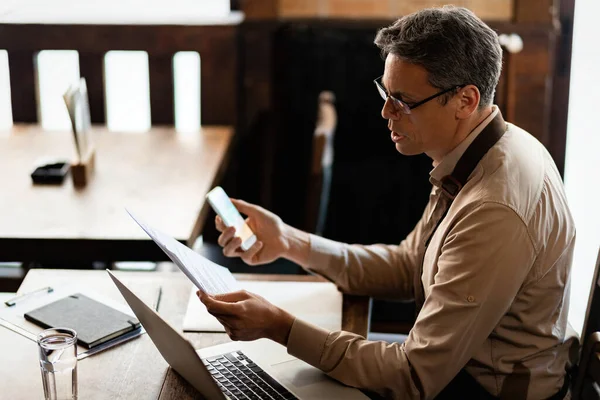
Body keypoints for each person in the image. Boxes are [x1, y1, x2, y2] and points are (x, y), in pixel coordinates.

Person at [197, 6, 575, 399]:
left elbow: (412, 377)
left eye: (404, 101)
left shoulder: (493, 207)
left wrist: (279, 327)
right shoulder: (486, 147)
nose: (386, 112)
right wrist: (290, 242)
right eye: (386, 92)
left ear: (465, 100)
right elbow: (409, 264)